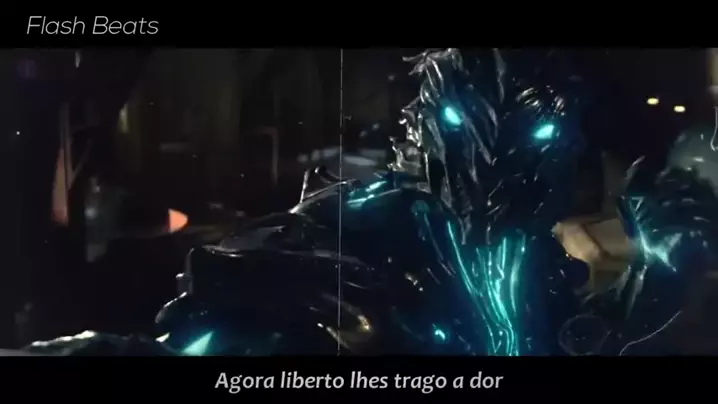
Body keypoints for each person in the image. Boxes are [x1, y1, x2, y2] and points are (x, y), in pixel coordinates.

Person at [23, 48, 718, 356]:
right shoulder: (352, 232)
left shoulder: (522, 245)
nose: (534, 166)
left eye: (549, 142)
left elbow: (571, 336)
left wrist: (663, 271)